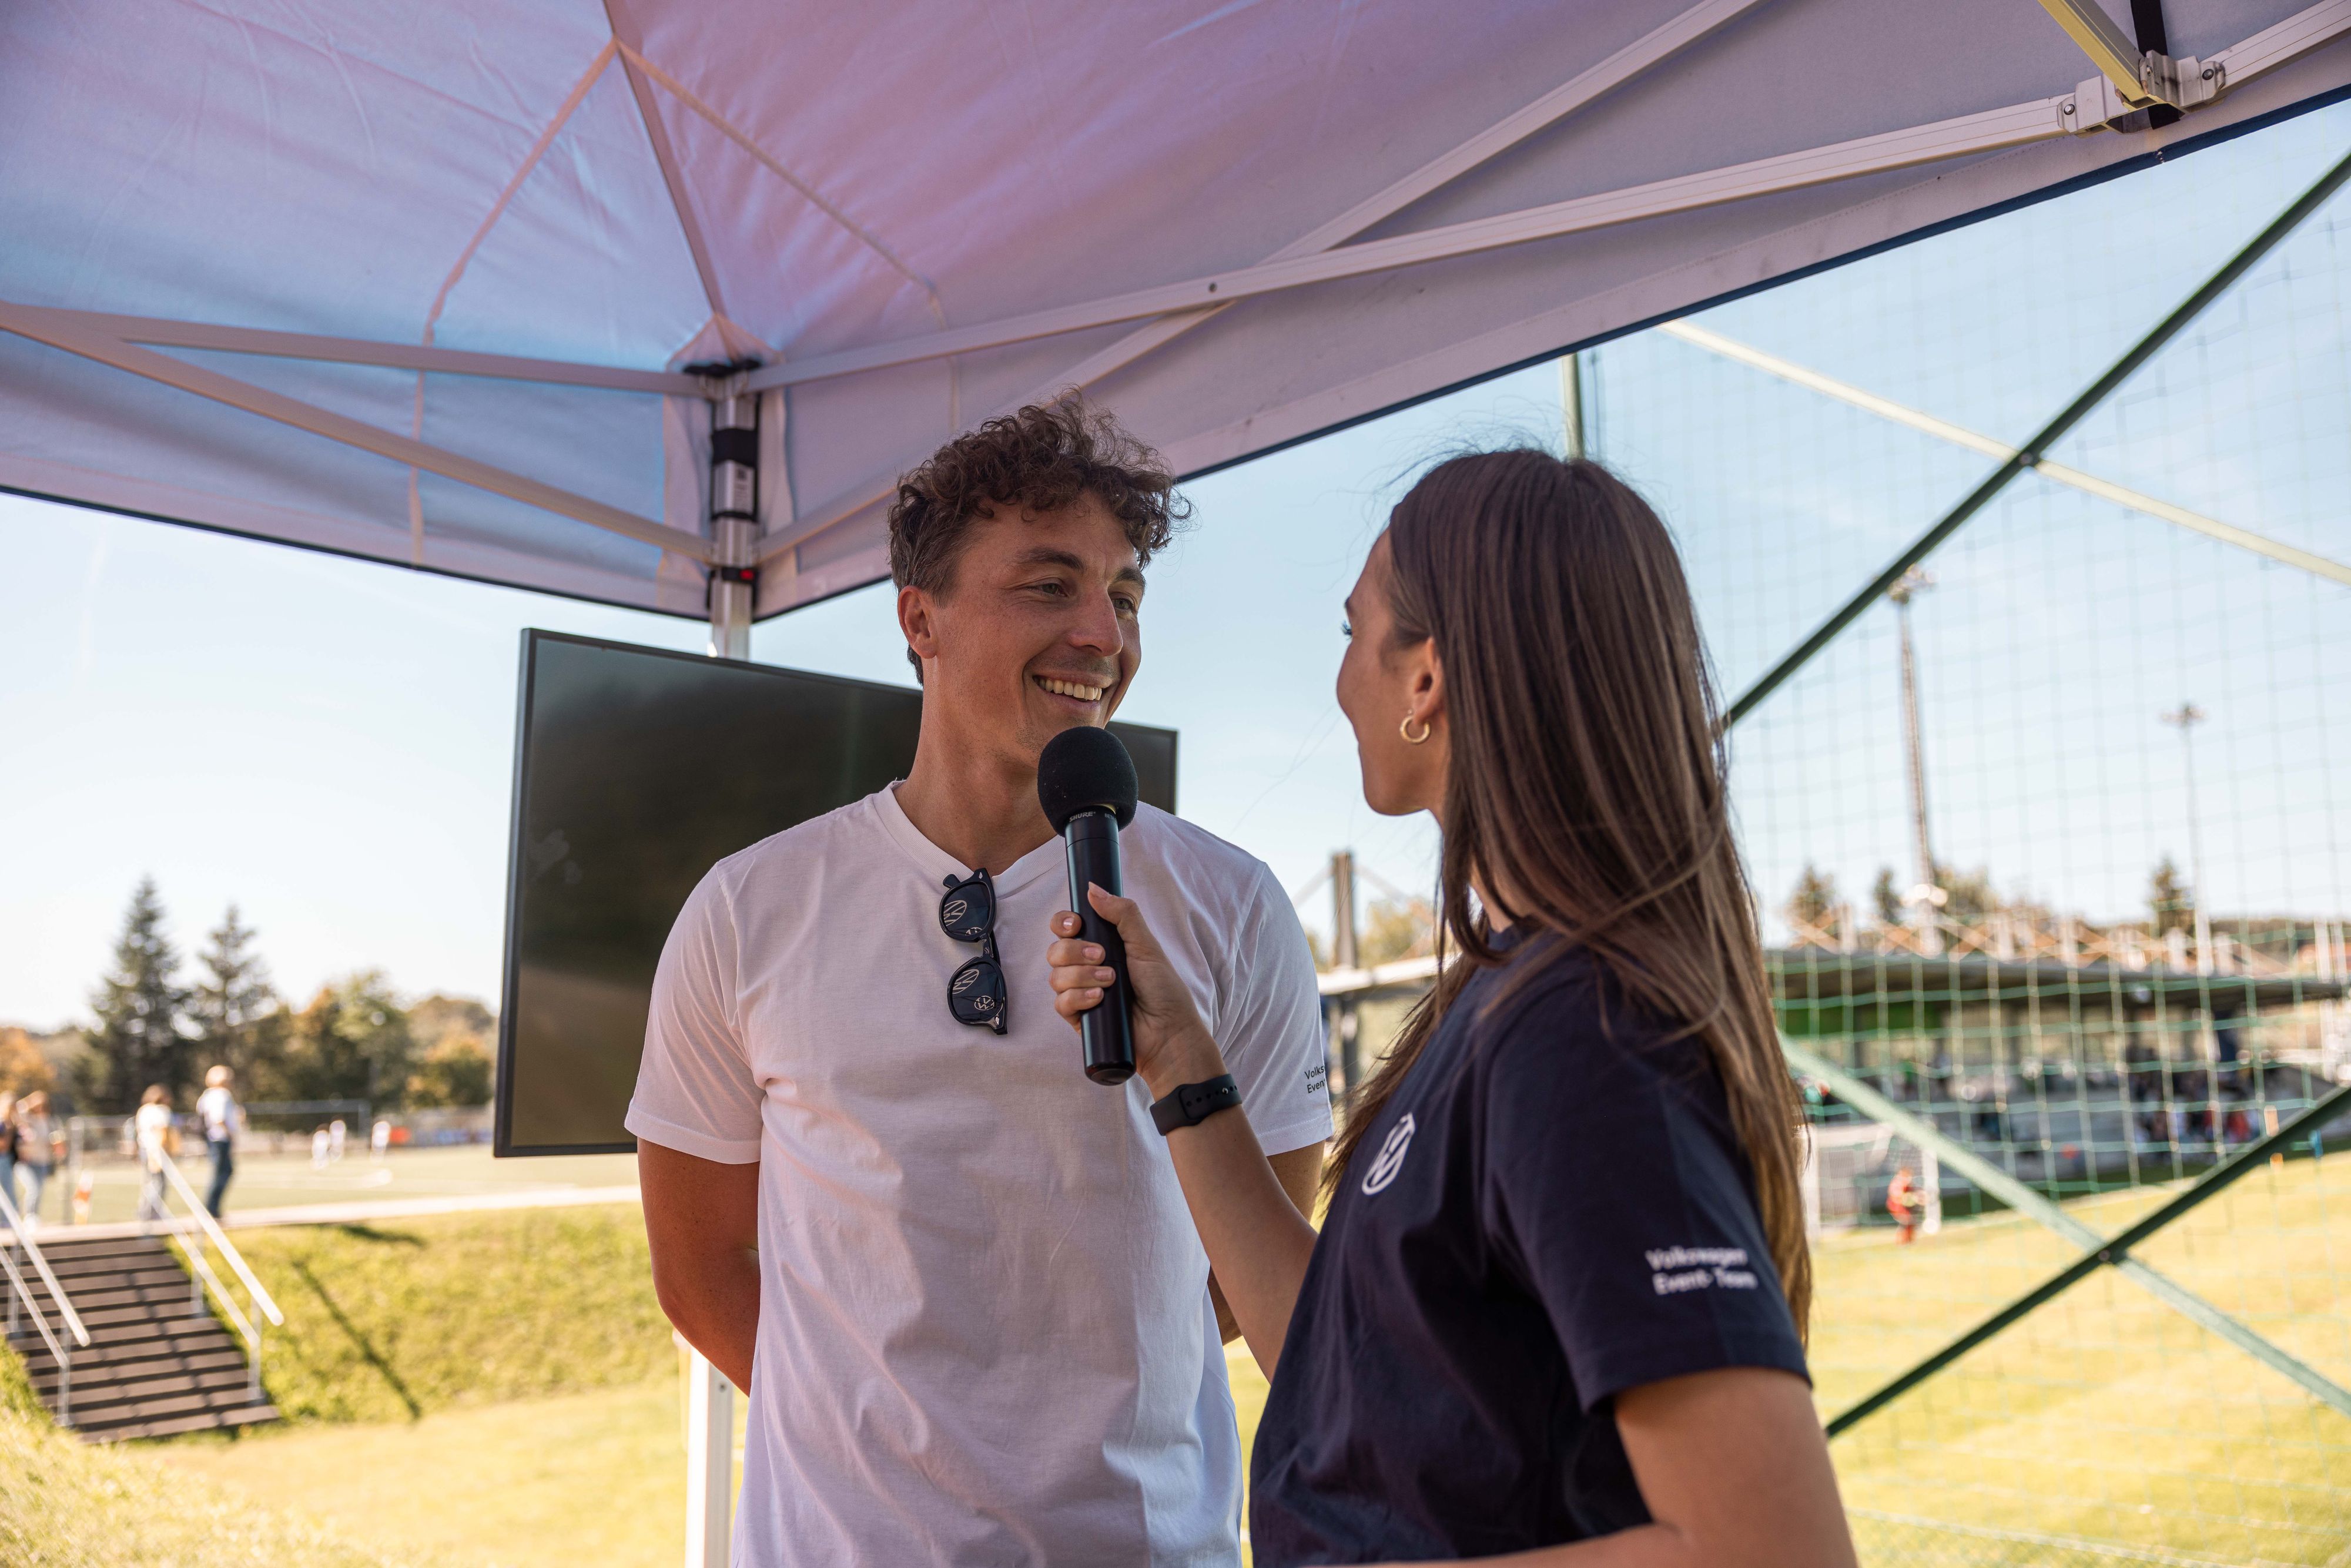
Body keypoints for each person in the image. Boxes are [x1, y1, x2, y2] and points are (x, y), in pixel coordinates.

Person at [1048, 451, 1856, 1566]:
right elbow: (1348, 1370)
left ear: (1425, 677)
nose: (1338, 684)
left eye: (1351, 633)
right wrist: (1182, 1064)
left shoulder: (1582, 1030)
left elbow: (1770, 1549)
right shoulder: (1506, 994)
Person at [628, 397, 1333, 1566]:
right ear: (922, 619)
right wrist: (877, 1456)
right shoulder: (748, 909)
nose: (1103, 635)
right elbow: (699, 1269)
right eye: (1049, 585)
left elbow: (1247, 1272)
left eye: (1125, 595)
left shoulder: (1232, 904)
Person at [196, 1065, 241, 1217]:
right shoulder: (221, 1095)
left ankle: (212, 1208)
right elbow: (219, 1118)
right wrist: (230, 1135)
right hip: (220, 1138)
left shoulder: (207, 1095)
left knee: (221, 1171)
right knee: (222, 1172)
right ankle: (211, 1209)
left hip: (213, 1138)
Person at [14, 1091, 58, 1227]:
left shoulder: (48, 1120)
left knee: (39, 1190)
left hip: (43, 1161)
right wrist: (29, 1101)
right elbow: (17, 1108)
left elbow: (53, 1139)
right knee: (33, 1188)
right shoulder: (27, 1118)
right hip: (26, 1162)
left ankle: (33, 1217)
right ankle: (29, 1216)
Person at [133, 1085, 174, 1222]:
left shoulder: (143, 1111)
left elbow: (139, 1131)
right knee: (159, 1182)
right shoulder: (161, 1111)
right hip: (156, 1151)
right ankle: (152, 1212)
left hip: (144, 1149)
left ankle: (143, 1211)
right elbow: (162, 1132)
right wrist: (164, 1152)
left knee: (148, 1182)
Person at [1886, 1164, 1924, 1244]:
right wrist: (1904, 1197)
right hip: (1897, 1207)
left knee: (1911, 1222)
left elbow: (1914, 1195)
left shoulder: (1908, 1185)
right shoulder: (1897, 1183)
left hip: (1906, 1207)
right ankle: (1901, 1241)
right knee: (1906, 1222)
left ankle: (1909, 1240)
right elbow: (1895, 1195)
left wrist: (1918, 1197)